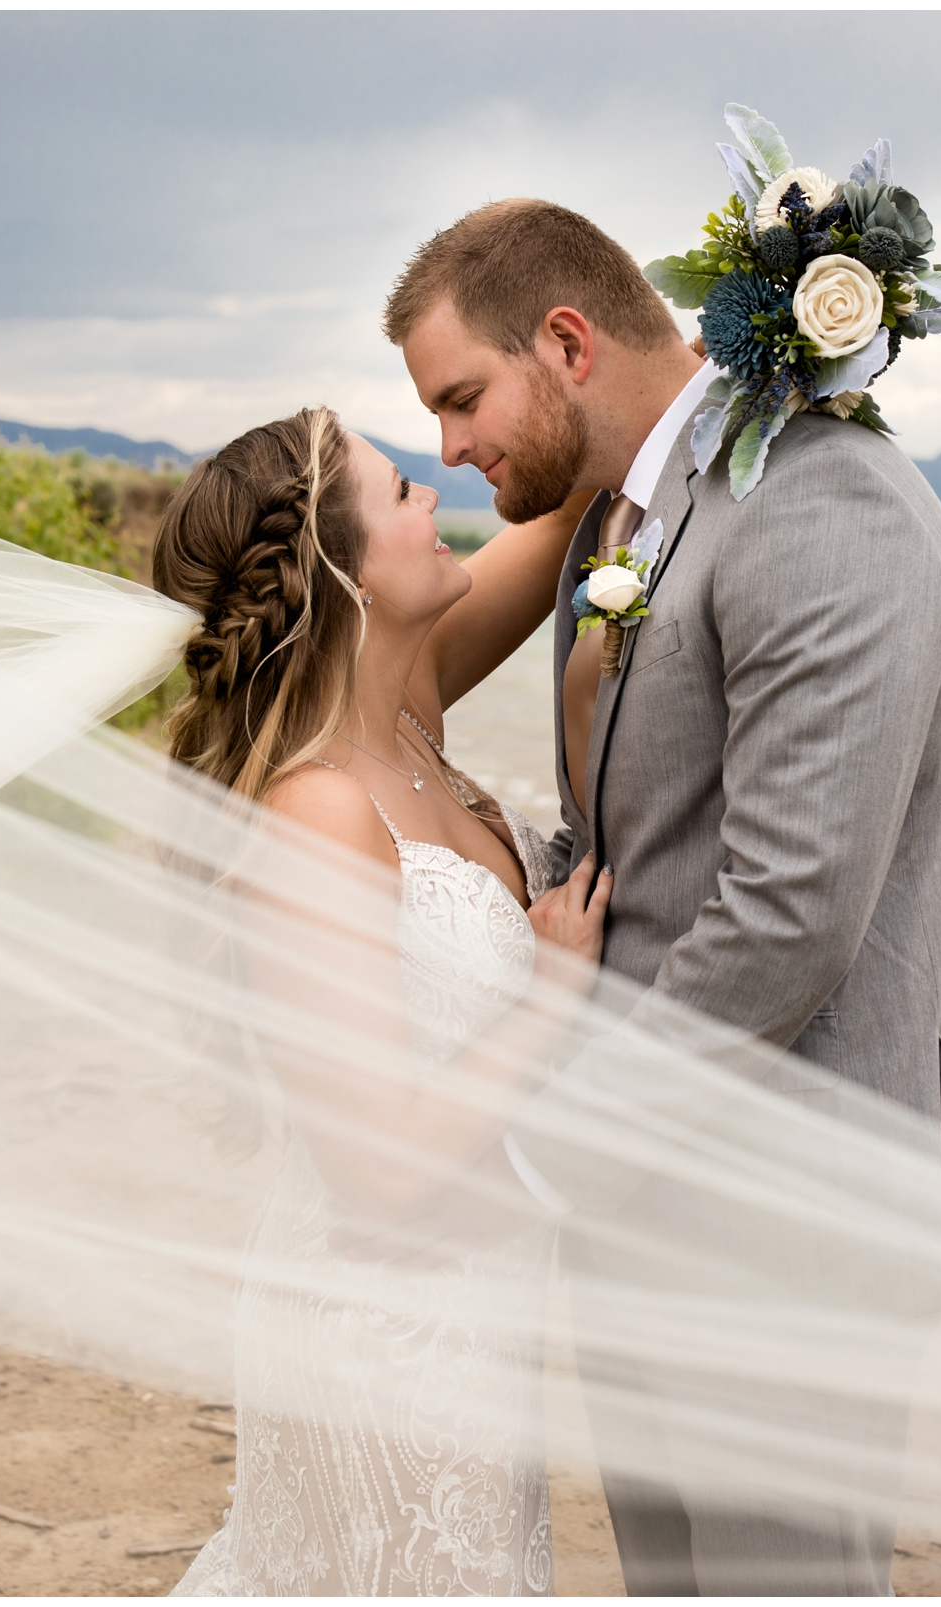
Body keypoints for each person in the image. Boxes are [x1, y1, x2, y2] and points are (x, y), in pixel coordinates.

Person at [388, 198, 941, 1595]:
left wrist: (542, 1150)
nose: (453, 447)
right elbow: (636, 842)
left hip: (793, 1229)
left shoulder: (826, 506)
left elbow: (789, 911)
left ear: (569, 340)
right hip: (648, 1198)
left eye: (463, 398)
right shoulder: (642, 515)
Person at [144, 408, 604, 1593]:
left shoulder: (409, 717)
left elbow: (568, 503)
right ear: (343, 572)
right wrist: (550, 1000)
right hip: (379, 1337)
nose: (436, 501)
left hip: (475, 1314)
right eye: (403, 491)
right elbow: (381, 1169)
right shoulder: (318, 810)